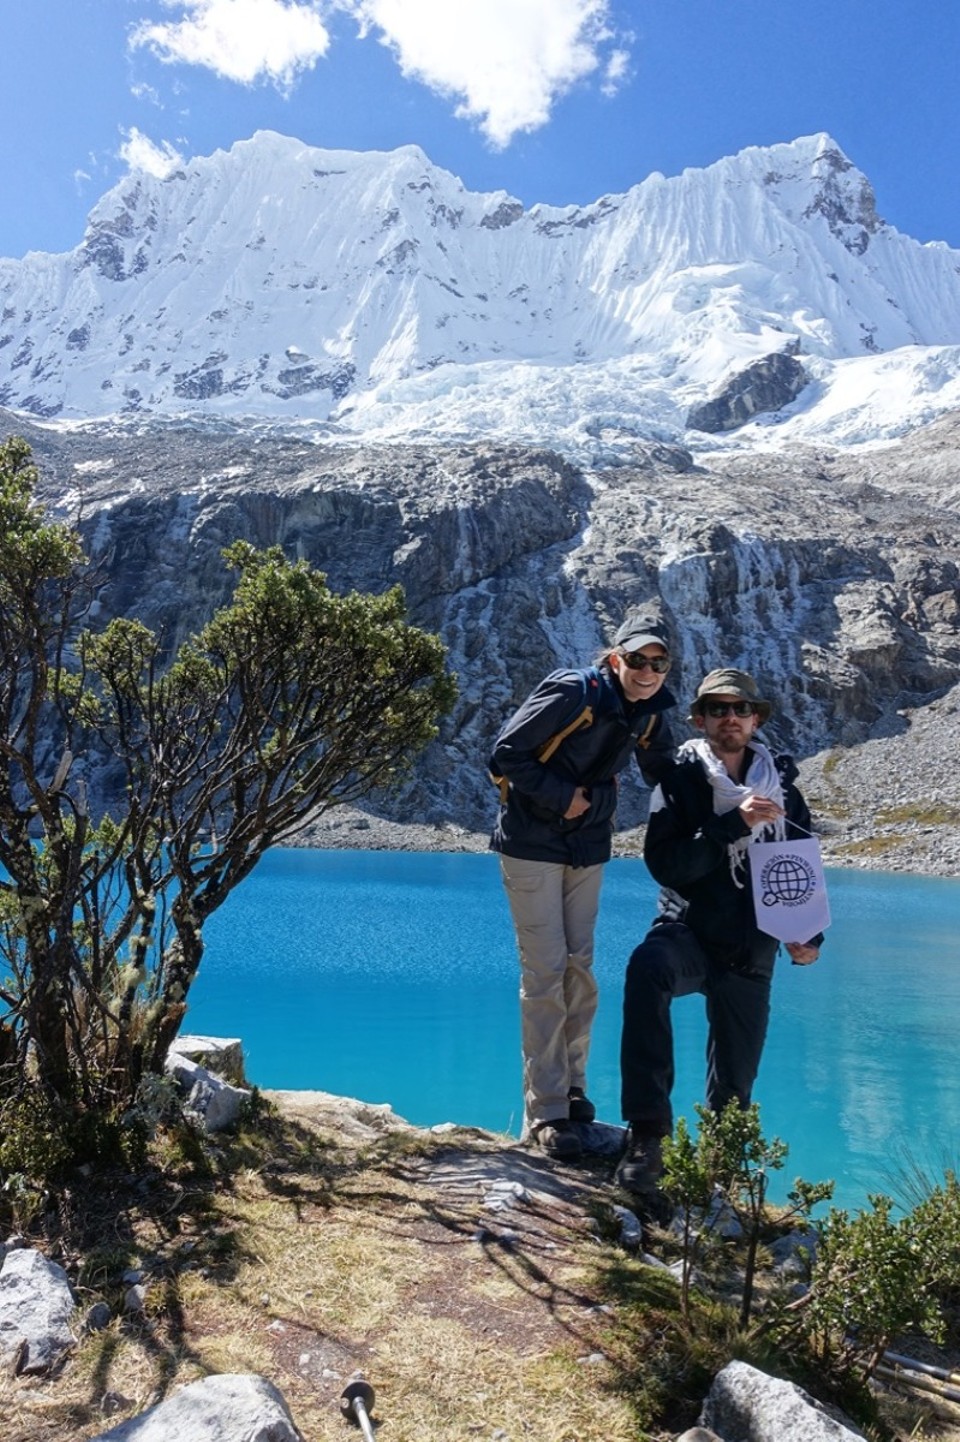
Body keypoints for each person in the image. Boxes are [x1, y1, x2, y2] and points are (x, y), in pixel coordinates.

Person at [617, 667, 822, 1197]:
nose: (729, 718)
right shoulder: (679, 781)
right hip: (686, 932)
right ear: (701, 719)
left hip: (751, 948)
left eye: (740, 709)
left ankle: (721, 1171)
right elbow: (667, 865)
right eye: (717, 709)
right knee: (647, 969)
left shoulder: (783, 789)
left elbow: (797, 872)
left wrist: (808, 938)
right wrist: (733, 824)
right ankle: (647, 1136)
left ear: (755, 719)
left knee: (736, 1079)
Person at [490, 615, 677, 1160]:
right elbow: (506, 752)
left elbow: (665, 769)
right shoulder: (574, 690)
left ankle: (573, 1091)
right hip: (532, 846)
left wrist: (729, 794)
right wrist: (563, 796)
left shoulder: (648, 712)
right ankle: (546, 1109)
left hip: (589, 848)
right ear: (614, 658)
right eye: (637, 659)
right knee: (545, 970)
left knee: (580, 969)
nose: (646, 671)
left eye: (657, 663)